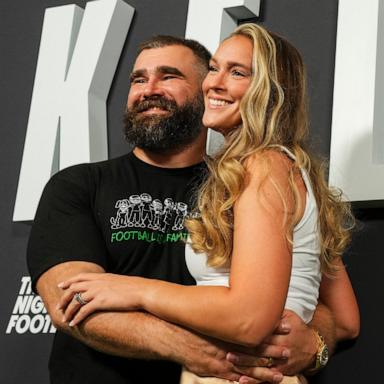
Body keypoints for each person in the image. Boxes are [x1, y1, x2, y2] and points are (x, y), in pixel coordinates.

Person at [28, 31, 359, 384]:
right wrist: (189, 348)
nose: (149, 88)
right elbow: (71, 301)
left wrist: (313, 343)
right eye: (139, 79)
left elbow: (334, 316)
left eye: (169, 76)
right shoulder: (79, 185)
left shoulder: (254, 173)